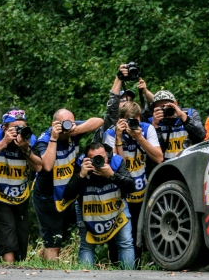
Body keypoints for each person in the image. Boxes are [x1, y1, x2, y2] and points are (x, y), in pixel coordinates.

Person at [31, 109, 104, 260]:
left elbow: (99, 121)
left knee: (59, 238)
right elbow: (47, 166)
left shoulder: (73, 130)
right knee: (53, 242)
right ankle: (50, 271)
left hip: (65, 194)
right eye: (65, 124)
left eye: (71, 122)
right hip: (47, 196)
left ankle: (45, 262)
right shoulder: (44, 140)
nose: (68, 127)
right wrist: (54, 138)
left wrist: (77, 130)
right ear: (54, 124)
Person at [0, 109, 43, 263]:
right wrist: (4, 142)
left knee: (21, 243)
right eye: (15, 128)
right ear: (4, 128)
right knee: (8, 241)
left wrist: (26, 149)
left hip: (20, 197)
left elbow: (39, 166)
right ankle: (8, 271)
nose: (19, 131)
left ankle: (16, 272)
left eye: (22, 127)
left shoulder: (29, 138)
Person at [103, 101, 163, 262]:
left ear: (139, 118)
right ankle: (115, 265)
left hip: (141, 190)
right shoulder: (111, 133)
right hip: (119, 190)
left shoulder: (146, 128)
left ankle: (135, 266)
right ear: (120, 120)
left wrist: (139, 137)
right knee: (117, 232)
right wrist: (119, 138)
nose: (132, 124)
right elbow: (117, 166)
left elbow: (159, 158)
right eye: (128, 121)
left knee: (137, 232)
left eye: (135, 120)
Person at [62, 141, 136, 269]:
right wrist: (81, 175)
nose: (98, 162)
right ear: (87, 159)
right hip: (88, 210)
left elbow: (131, 187)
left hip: (116, 209)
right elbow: (68, 195)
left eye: (102, 158)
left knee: (126, 243)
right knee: (86, 246)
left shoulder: (116, 161)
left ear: (107, 156)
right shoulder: (80, 163)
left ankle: (128, 275)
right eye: (94, 159)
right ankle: (85, 276)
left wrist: (112, 175)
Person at [148, 90, 206, 160]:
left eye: (166, 106)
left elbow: (201, 135)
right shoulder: (153, 121)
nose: (164, 110)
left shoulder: (190, 113)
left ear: (175, 103)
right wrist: (155, 127)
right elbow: (157, 153)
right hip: (169, 164)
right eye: (161, 108)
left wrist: (183, 117)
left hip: (191, 161)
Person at [103, 63, 148, 131]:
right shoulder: (111, 120)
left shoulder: (139, 118)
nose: (127, 102)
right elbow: (113, 104)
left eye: (130, 100)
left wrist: (146, 92)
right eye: (123, 100)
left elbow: (152, 107)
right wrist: (119, 77)